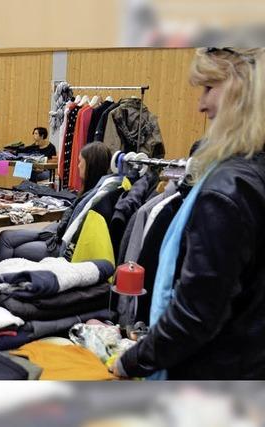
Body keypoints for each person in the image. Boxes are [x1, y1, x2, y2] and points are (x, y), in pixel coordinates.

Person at [113, 48, 265, 380]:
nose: (201, 104)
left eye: (209, 87)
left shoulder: (229, 189)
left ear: (244, 89)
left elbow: (196, 314)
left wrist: (133, 360)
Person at [0, 142, 111, 264]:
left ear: (90, 166)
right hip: (60, 235)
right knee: (5, 236)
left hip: (64, 246)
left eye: (81, 162)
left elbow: (75, 233)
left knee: (12, 247)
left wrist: (57, 233)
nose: (78, 166)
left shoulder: (96, 199)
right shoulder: (92, 192)